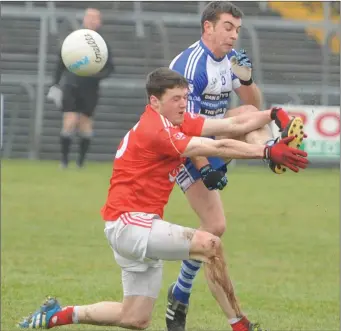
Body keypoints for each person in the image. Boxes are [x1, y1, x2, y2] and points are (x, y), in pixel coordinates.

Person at [18, 68, 308, 331]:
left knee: (134, 318)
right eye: (175, 99)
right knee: (211, 245)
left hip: (132, 227)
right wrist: (267, 152)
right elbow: (217, 145)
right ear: (155, 102)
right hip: (130, 225)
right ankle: (240, 324)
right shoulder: (156, 131)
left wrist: (273, 114)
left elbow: (229, 127)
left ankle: (58, 315)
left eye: (184, 97)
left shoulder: (175, 122)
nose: (183, 104)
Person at [166, 2, 301, 330]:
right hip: (183, 150)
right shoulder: (191, 65)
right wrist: (203, 165)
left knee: (247, 116)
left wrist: (248, 78)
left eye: (237, 30)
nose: (233, 35)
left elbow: (253, 104)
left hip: (214, 138)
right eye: (228, 27)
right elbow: (186, 128)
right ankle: (180, 294)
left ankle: (272, 152)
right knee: (215, 227)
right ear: (208, 28)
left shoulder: (228, 61)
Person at [47, 8, 114, 169]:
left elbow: (110, 68)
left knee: (85, 124)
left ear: (99, 22)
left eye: (95, 18)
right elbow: (60, 63)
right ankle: (63, 162)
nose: (91, 20)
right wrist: (55, 85)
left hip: (90, 89)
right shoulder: (74, 40)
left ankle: (80, 163)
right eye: (89, 17)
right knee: (69, 121)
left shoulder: (102, 45)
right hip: (71, 86)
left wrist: (96, 74)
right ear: (84, 19)